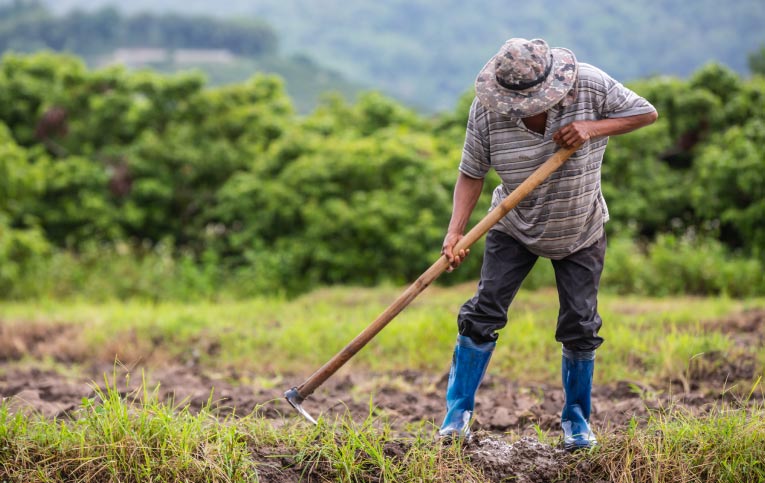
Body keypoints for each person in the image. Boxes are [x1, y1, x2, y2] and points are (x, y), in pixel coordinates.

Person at [439, 38, 658, 450]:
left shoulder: (589, 85)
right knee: (483, 312)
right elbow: (472, 172)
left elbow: (645, 112)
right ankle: (456, 418)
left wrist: (592, 128)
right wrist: (455, 232)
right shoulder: (487, 110)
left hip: (580, 226)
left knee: (579, 324)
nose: (522, 110)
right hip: (513, 223)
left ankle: (577, 423)